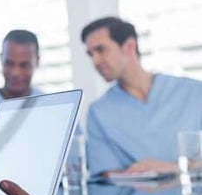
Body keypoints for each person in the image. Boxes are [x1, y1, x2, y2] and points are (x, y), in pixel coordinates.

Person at [81, 16, 202, 178]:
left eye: (101, 50)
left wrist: (172, 167)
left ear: (129, 46)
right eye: (91, 54)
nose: (95, 61)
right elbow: (109, 176)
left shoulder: (193, 92)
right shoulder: (98, 112)